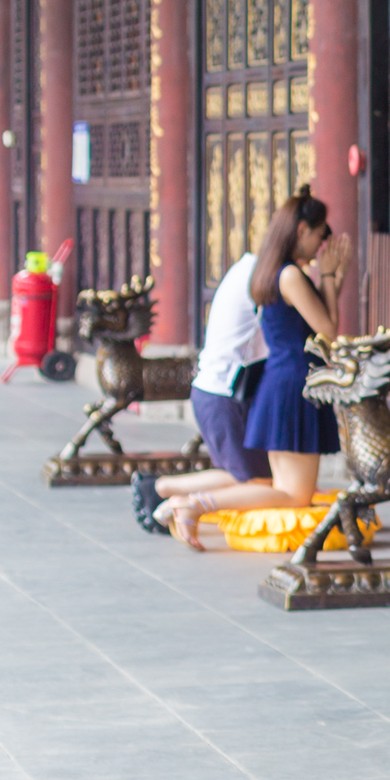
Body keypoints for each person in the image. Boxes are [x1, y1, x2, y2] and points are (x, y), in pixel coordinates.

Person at [159, 190, 353, 549]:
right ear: (301, 230)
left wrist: (330, 279)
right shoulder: (290, 275)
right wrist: (327, 276)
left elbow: (319, 323)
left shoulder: (272, 272)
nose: (323, 244)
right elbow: (327, 332)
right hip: (295, 384)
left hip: (285, 382)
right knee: (293, 495)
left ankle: (186, 502)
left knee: (280, 488)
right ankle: (194, 505)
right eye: (321, 234)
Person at [136, 245, 270, 534]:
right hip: (224, 395)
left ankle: (160, 489)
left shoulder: (247, 269)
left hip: (215, 392)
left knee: (248, 478)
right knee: (255, 484)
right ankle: (170, 496)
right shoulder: (263, 277)